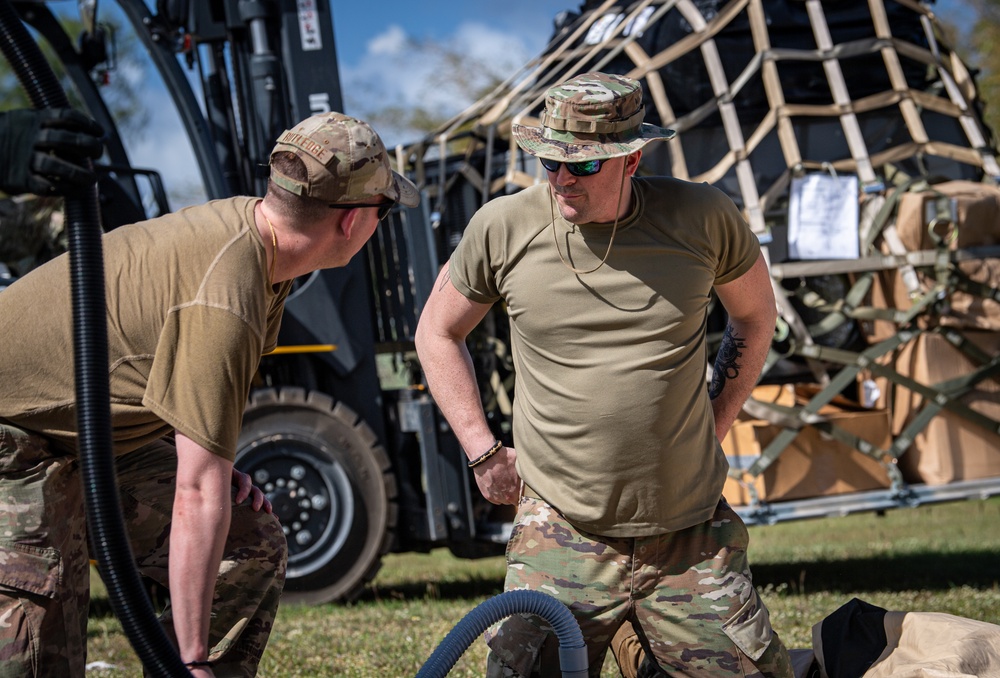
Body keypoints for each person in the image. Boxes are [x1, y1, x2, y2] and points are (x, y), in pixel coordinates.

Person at [0, 111, 419, 677]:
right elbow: (197, 495)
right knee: (37, 651)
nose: (381, 224)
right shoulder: (228, 296)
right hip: (18, 437)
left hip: (89, 432)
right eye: (382, 210)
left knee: (245, 540)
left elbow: (155, 370)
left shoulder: (256, 244)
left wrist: (198, 455)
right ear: (350, 223)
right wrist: (191, 660)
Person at [414, 72, 792, 677]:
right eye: (549, 160)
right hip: (562, 525)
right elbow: (436, 331)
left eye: (583, 167)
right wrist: (482, 451)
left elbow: (754, 315)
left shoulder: (701, 217)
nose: (562, 178)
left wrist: (715, 421)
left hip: (687, 528)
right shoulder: (502, 226)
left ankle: (640, 646)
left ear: (632, 158)